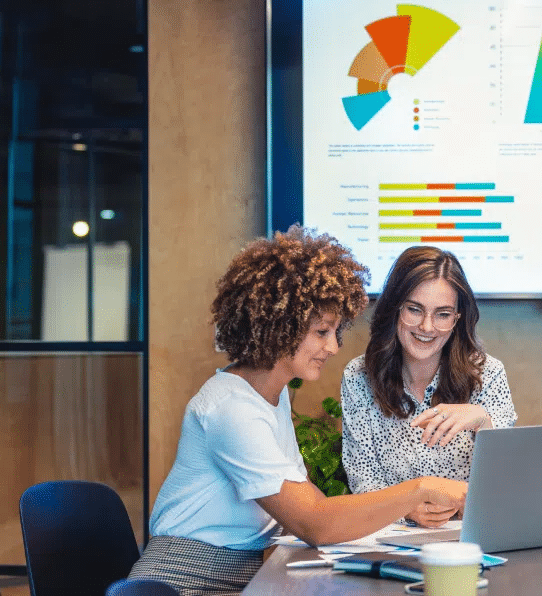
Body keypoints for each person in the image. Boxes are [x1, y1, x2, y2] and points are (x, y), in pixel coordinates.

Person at [128, 227, 468, 596]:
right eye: (322, 332)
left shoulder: (270, 396)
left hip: (243, 572)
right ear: (280, 327)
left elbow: (306, 506)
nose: (333, 347)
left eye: (334, 332)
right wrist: (422, 488)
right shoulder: (231, 409)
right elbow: (314, 521)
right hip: (184, 580)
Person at [341, 246, 516, 528]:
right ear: (395, 309)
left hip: (469, 537)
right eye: (414, 309)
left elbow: (507, 481)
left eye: (442, 314)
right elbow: (363, 478)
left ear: (457, 319)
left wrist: (483, 421)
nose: (426, 326)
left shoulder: (488, 373)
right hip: (391, 538)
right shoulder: (359, 377)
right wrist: (406, 510)